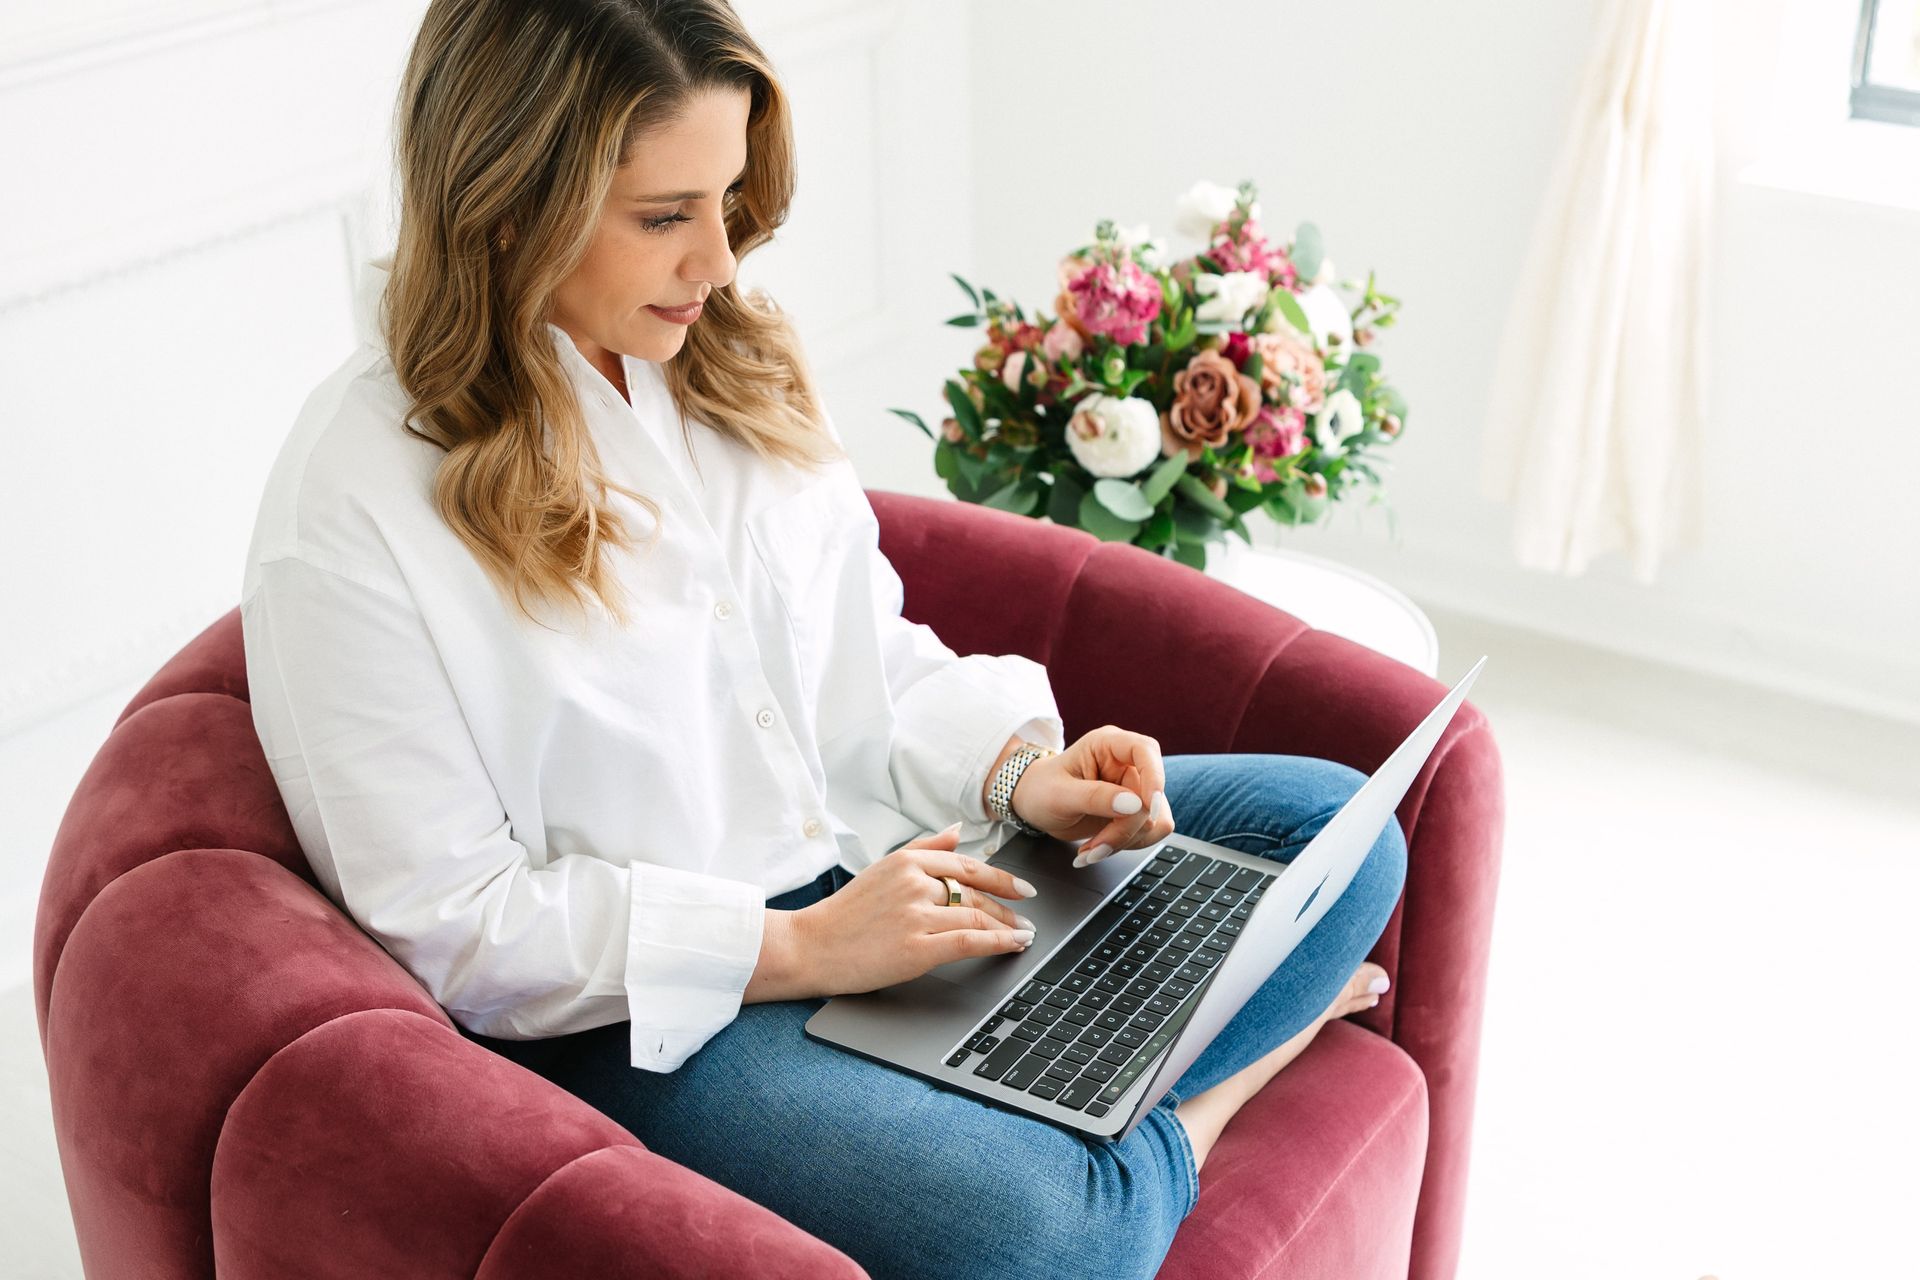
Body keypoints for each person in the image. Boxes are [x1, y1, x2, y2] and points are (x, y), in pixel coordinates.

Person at [238, 2, 1407, 1277]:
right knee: (1043, 1234)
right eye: (665, 215)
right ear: (506, 203)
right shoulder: (355, 503)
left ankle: (1095, 1094)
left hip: (888, 862)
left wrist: (1021, 776)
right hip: (669, 1010)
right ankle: (1199, 1099)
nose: (723, 262)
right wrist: (801, 945)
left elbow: (866, 661)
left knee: (1335, 831)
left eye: (730, 200)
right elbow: (450, 920)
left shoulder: (720, 354)